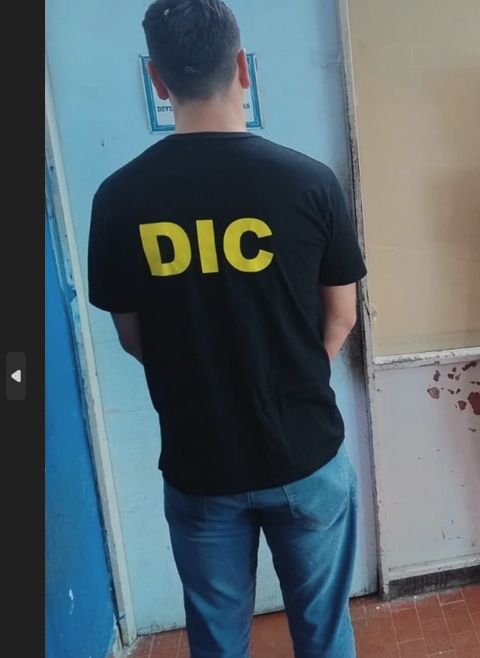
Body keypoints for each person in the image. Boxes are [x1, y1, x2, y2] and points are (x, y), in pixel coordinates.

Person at [87, 1, 366, 656]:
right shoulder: (310, 183)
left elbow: (132, 336)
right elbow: (342, 316)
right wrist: (291, 379)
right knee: (324, 633)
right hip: (305, 451)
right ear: (243, 68)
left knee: (216, 640)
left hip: (200, 460)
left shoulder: (119, 198)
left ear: (158, 79)